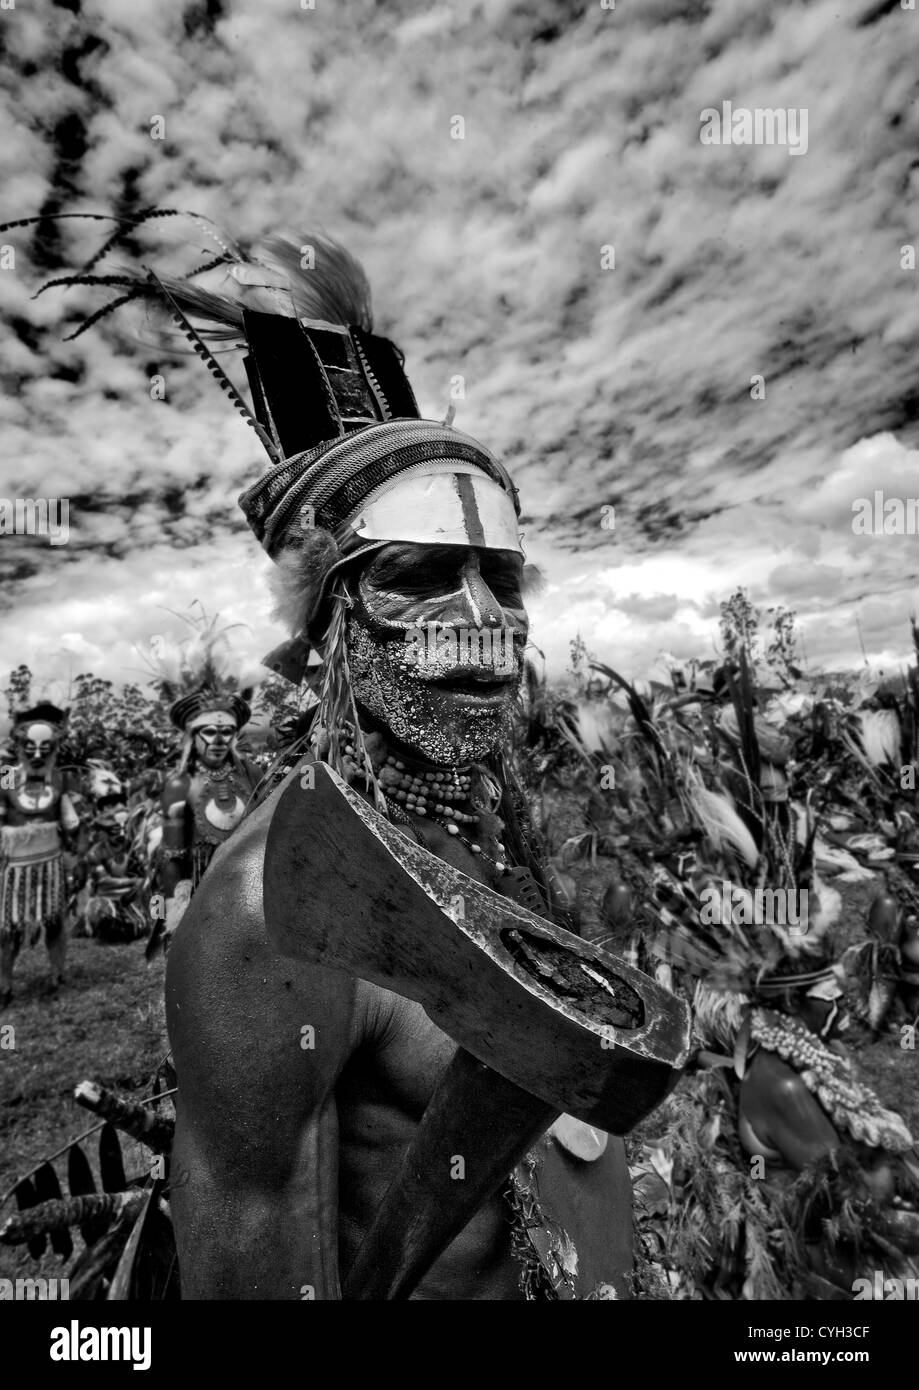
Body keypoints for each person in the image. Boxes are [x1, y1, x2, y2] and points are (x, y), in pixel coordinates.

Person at [143, 227, 638, 1299]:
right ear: (329, 626)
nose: (480, 625)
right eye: (417, 576)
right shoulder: (275, 914)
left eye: (501, 581)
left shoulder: (498, 822)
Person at [0, 703, 81, 1007]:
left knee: (55, 922)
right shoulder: (6, 777)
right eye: (30, 747)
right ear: (19, 746)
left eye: (45, 748)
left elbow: (69, 819)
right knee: (8, 929)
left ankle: (57, 975)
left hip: (50, 864)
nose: (37, 754)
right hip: (14, 869)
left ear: (54, 748)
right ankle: (4, 985)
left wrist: (77, 850)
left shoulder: (59, 778)